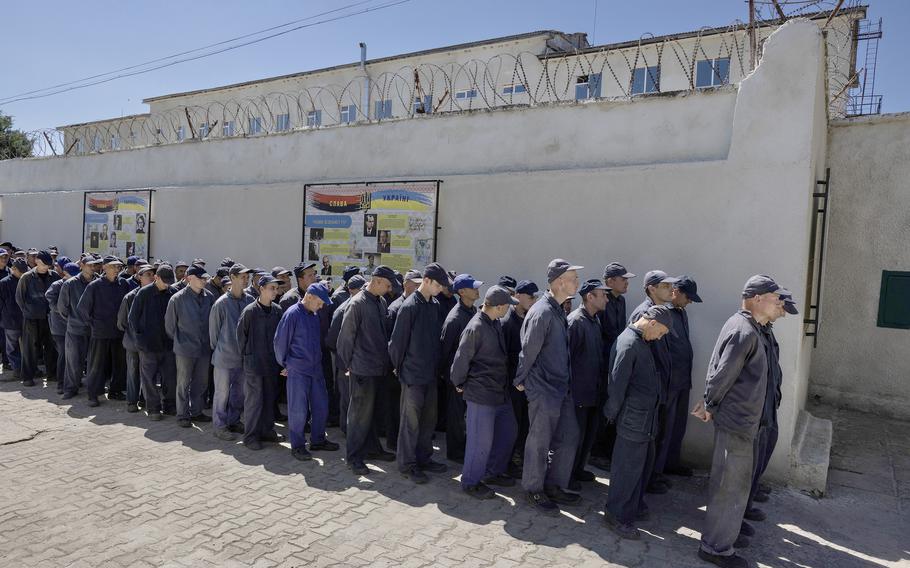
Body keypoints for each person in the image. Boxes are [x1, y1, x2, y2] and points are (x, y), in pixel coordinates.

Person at [693, 275, 781, 568]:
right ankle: (715, 547)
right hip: (738, 424)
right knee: (728, 486)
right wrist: (709, 404)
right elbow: (721, 374)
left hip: (747, 423)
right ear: (757, 298)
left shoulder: (751, 328)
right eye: (774, 297)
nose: (778, 303)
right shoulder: (744, 331)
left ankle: (724, 536)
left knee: (735, 485)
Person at [515, 259, 583, 515]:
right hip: (543, 388)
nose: (577, 283)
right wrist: (520, 380)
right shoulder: (542, 311)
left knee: (569, 436)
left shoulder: (556, 309)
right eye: (574, 278)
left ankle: (554, 484)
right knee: (539, 441)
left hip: (561, 388)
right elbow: (528, 350)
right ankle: (533, 488)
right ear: (559, 282)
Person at [602, 304, 674, 539]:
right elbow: (617, 384)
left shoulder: (642, 340)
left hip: (644, 419)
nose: (661, 337)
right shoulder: (629, 343)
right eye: (661, 332)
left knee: (639, 467)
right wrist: (611, 415)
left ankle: (629, 510)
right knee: (626, 469)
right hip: (633, 419)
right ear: (652, 323)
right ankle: (616, 515)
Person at [450, 285, 519, 499]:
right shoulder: (476, 327)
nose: (510, 309)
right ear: (499, 307)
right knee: (479, 442)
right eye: (508, 305)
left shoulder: (495, 323)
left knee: (509, 432)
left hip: (499, 392)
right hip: (481, 393)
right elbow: (461, 360)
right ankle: (470, 482)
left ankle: (492, 472)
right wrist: (459, 382)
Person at [389, 262, 451, 484]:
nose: (441, 289)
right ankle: (407, 464)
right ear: (426, 281)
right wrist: (400, 369)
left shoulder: (434, 305)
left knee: (428, 420)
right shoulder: (409, 307)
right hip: (412, 376)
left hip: (430, 375)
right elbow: (396, 344)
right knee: (410, 422)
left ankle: (423, 458)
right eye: (438, 285)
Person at [337, 267, 397, 475]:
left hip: (377, 368)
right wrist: (347, 366)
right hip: (361, 369)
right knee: (359, 416)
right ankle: (353, 458)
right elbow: (345, 338)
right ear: (378, 281)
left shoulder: (379, 302)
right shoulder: (357, 304)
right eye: (388, 285)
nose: (390, 290)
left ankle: (372, 449)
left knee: (372, 414)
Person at [275, 281, 340, 460]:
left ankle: (318, 440)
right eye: (319, 302)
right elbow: (280, 343)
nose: (321, 307)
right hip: (298, 370)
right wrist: (286, 364)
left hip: (315, 369)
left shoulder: (313, 314)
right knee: (298, 410)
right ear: (309, 297)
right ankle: (297, 445)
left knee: (321, 405)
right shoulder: (292, 314)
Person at [628, 269, 679, 494]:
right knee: (645, 443)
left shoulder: (663, 311)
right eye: (665, 286)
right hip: (647, 390)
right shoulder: (644, 313)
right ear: (651, 288)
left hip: (659, 387)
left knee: (657, 437)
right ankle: (641, 485)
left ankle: (650, 478)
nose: (671, 290)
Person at [591, 262, 636, 469]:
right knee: (601, 408)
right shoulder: (602, 300)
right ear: (610, 281)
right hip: (601, 363)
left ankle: (606, 450)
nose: (626, 282)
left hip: (615, 361)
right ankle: (596, 452)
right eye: (623, 279)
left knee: (613, 406)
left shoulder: (621, 301)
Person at [658, 276, 703, 478]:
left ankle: (671, 463)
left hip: (683, 380)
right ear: (676, 292)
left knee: (678, 426)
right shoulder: (664, 313)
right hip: (669, 382)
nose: (690, 302)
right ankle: (656, 471)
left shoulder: (681, 313)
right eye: (688, 297)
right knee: (664, 429)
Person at [568, 278, 609, 490]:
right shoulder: (575, 322)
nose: (607, 299)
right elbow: (567, 359)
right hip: (577, 394)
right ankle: (566, 475)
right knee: (574, 437)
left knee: (587, 436)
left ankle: (577, 469)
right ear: (589, 297)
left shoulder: (594, 320)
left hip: (593, 391)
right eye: (602, 294)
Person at [236, 274, 284, 450]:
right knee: (254, 402)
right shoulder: (249, 311)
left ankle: (267, 431)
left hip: (271, 364)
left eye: (276, 288)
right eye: (272, 288)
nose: (275, 291)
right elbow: (241, 338)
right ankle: (251, 436)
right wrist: (247, 358)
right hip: (254, 365)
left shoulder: (277, 311)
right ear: (261, 288)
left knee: (269, 399)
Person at [208, 264, 255, 440]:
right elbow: (213, 334)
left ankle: (233, 421)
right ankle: (219, 426)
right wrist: (222, 348)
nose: (246, 280)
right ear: (232, 277)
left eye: (247, 277)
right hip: (223, 358)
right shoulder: (220, 304)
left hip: (242, 358)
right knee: (222, 394)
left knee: (239, 393)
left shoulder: (249, 301)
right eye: (242, 276)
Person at [439, 273, 483, 463]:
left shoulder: (473, 312)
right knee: (456, 415)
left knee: (464, 416)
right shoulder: (455, 318)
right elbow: (445, 351)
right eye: (473, 287)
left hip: (471, 375)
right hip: (457, 376)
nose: (477, 290)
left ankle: (464, 447)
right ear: (462, 292)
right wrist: (453, 377)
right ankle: (455, 452)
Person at [165, 264, 215, 426]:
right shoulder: (177, 299)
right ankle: (182, 415)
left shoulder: (209, 297)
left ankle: (197, 412)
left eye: (206, 278)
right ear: (189, 279)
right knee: (183, 383)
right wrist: (181, 341)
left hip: (204, 347)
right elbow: (170, 327)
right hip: (185, 349)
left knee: (201, 383)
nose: (204, 281)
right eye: (201, 278)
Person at [77, 256, 131, 406]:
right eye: (113, 267)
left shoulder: (124, 284)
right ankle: (93, 393)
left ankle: (116, 390)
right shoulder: (95, 286)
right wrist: (93, 324)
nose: (116, 270)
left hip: (119, 331)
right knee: (96, 364)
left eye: (118, 267)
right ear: (104, 268)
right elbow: (82, 309)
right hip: (100, 332)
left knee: (120, 363)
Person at [502, 279, 538, 477]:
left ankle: (517, 458)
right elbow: (504, 356)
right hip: (511, 384)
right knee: (511, 425)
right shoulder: (507, 322)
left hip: (524, 383)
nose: (534, 300)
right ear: (517, 296)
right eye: (531, 296)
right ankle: (506, 462)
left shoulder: (527, 319)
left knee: (524, 423)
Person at [325, 274, 366, 435]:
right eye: (360, 289)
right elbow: (332, 339)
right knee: (347, 398)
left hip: (353, 361)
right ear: (351, 290)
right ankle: (347, 429)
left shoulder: (356, 306)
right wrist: (343, 357)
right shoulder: (344, 309)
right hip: (345, 361)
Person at [16, 249, 60, 386]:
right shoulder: (27, 277)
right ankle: (28, 376)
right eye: (43, 264)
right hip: (31, 318)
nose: (46, 267)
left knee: (51, 347)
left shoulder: (54, 276)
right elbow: (19, 298)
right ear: (36, 261)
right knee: (30, 348)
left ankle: (52, 374)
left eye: (48, 264)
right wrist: (28, 311)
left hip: (49, 317)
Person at [58, 255, 98, 398]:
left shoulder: (98, 282)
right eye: (89, 265)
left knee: (93, 363)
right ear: (81, 265)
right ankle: (70, 389)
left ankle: (93, 391)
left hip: (94, 330)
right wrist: (74, 320)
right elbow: (62, 308)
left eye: (94, 265)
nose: (92, 268)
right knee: (73, 361)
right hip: (75, 329)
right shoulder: (70, 284)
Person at [117, 264, 156, 412]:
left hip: (149, 343)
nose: (151, 277)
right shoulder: (130, 297)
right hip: (133, 343)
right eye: (147, 275)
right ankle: (131, 402)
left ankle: (145, 400)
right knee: (133, 372)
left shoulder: (155, 294)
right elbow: (122, 322)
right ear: (139, 277)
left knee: (148, 374)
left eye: (153, 274)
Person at [46, 262, 80, 394]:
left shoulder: (75, 285)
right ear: (65, 273)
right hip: (59, 328)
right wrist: (62, 311)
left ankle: (72, 380)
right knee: (64, 355)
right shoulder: (57, 285)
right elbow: (50, 299)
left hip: (72, 327)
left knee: (73, 356)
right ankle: (61, 383)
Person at [0, 258, 27, 382]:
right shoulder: (4, 283)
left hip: (26, 319)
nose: (22, 273)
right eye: (20, 271)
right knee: (12, 348)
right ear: (13, 269)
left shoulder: (26, 279)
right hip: (10, 320)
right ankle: (18, 370)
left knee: (26, 347)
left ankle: (25, 370)